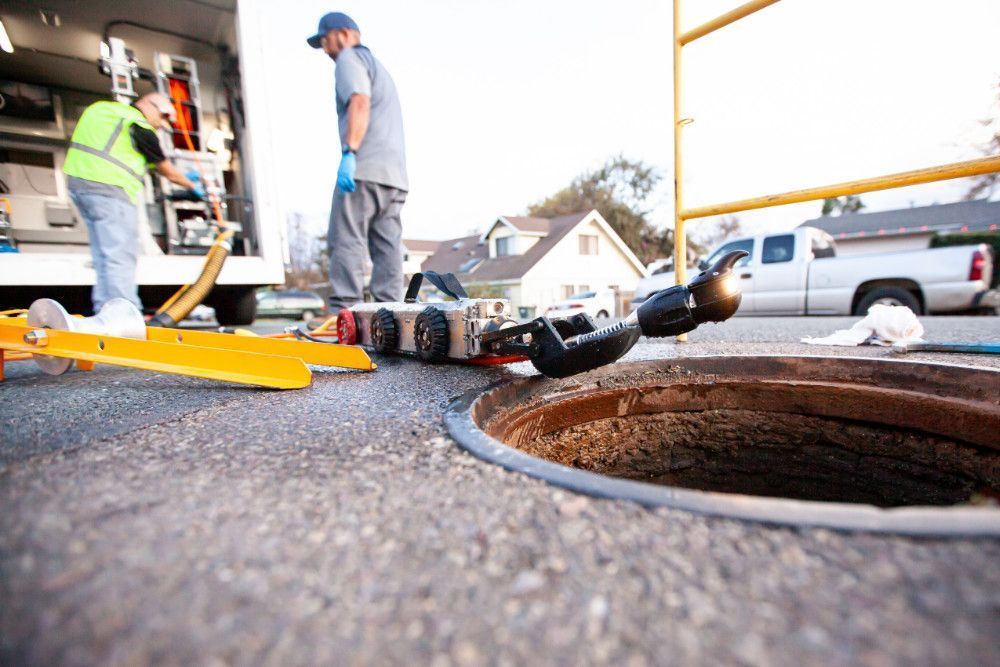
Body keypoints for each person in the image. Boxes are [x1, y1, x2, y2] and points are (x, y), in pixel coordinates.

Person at [63, 92, 204, 312]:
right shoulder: (137, 124)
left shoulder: (103, 111)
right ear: (148, 104)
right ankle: (126, 315)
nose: (163, 125)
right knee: (120, 257)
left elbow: (119, 154)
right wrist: (192, 185)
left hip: (80, 187)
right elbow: (168, 171)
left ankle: (106, 312)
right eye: (165, 116)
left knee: (104, 257)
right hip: (111, 189)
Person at [307, 12, 408, 309]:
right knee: (387, 245)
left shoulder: (349, 59)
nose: (326, 49)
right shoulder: (380, 68)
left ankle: (345, 312)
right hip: (395, 176)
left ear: (344, 33)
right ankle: (390, 314)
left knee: (346, 238)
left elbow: (359, 101)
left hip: (364, 168)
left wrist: (350, 152)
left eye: (326, 40)